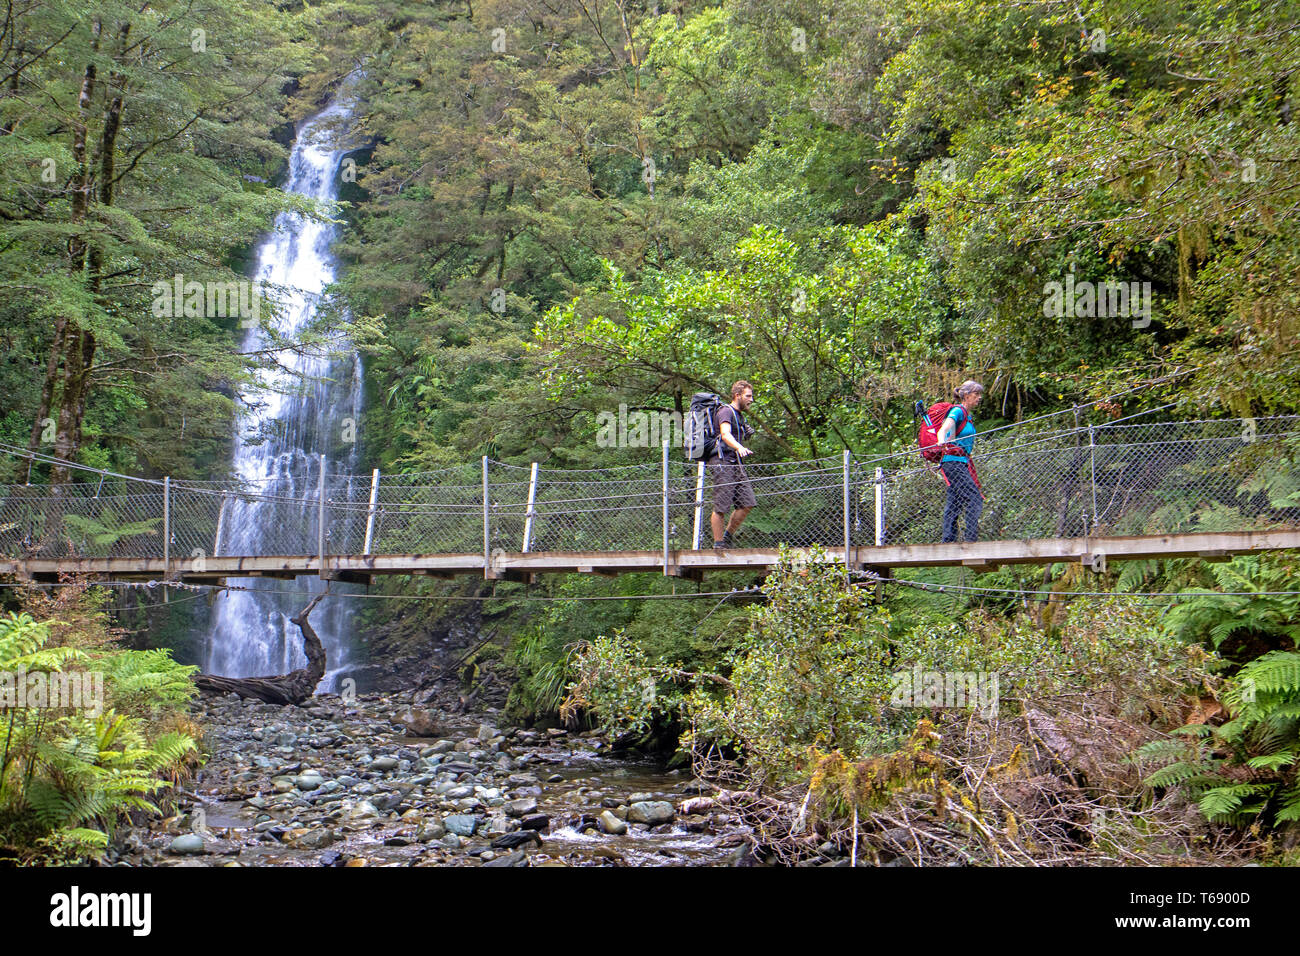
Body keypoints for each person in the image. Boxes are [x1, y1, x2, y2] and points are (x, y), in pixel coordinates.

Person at [933, 380, 984, 543]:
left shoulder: (968, 416)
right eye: (976, 395)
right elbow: (946, 427)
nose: (979, 398)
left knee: (954, 501)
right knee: (973, 497)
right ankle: (971, 540)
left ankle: (947, 540)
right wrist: (941, 439)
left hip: (960, 462)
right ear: (966, 395)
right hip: (953, 462)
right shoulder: (958, 411)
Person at [709, 381, 756, 549]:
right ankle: (718, 543)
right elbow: (725, 434)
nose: (751, 399)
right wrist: (740, 447)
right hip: (722, 462)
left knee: (747, 502)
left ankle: (727, 536)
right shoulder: (725, 411)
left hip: (736, 463)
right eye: (748, 396)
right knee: (721, 505)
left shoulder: (739, 415)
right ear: (737, 395)